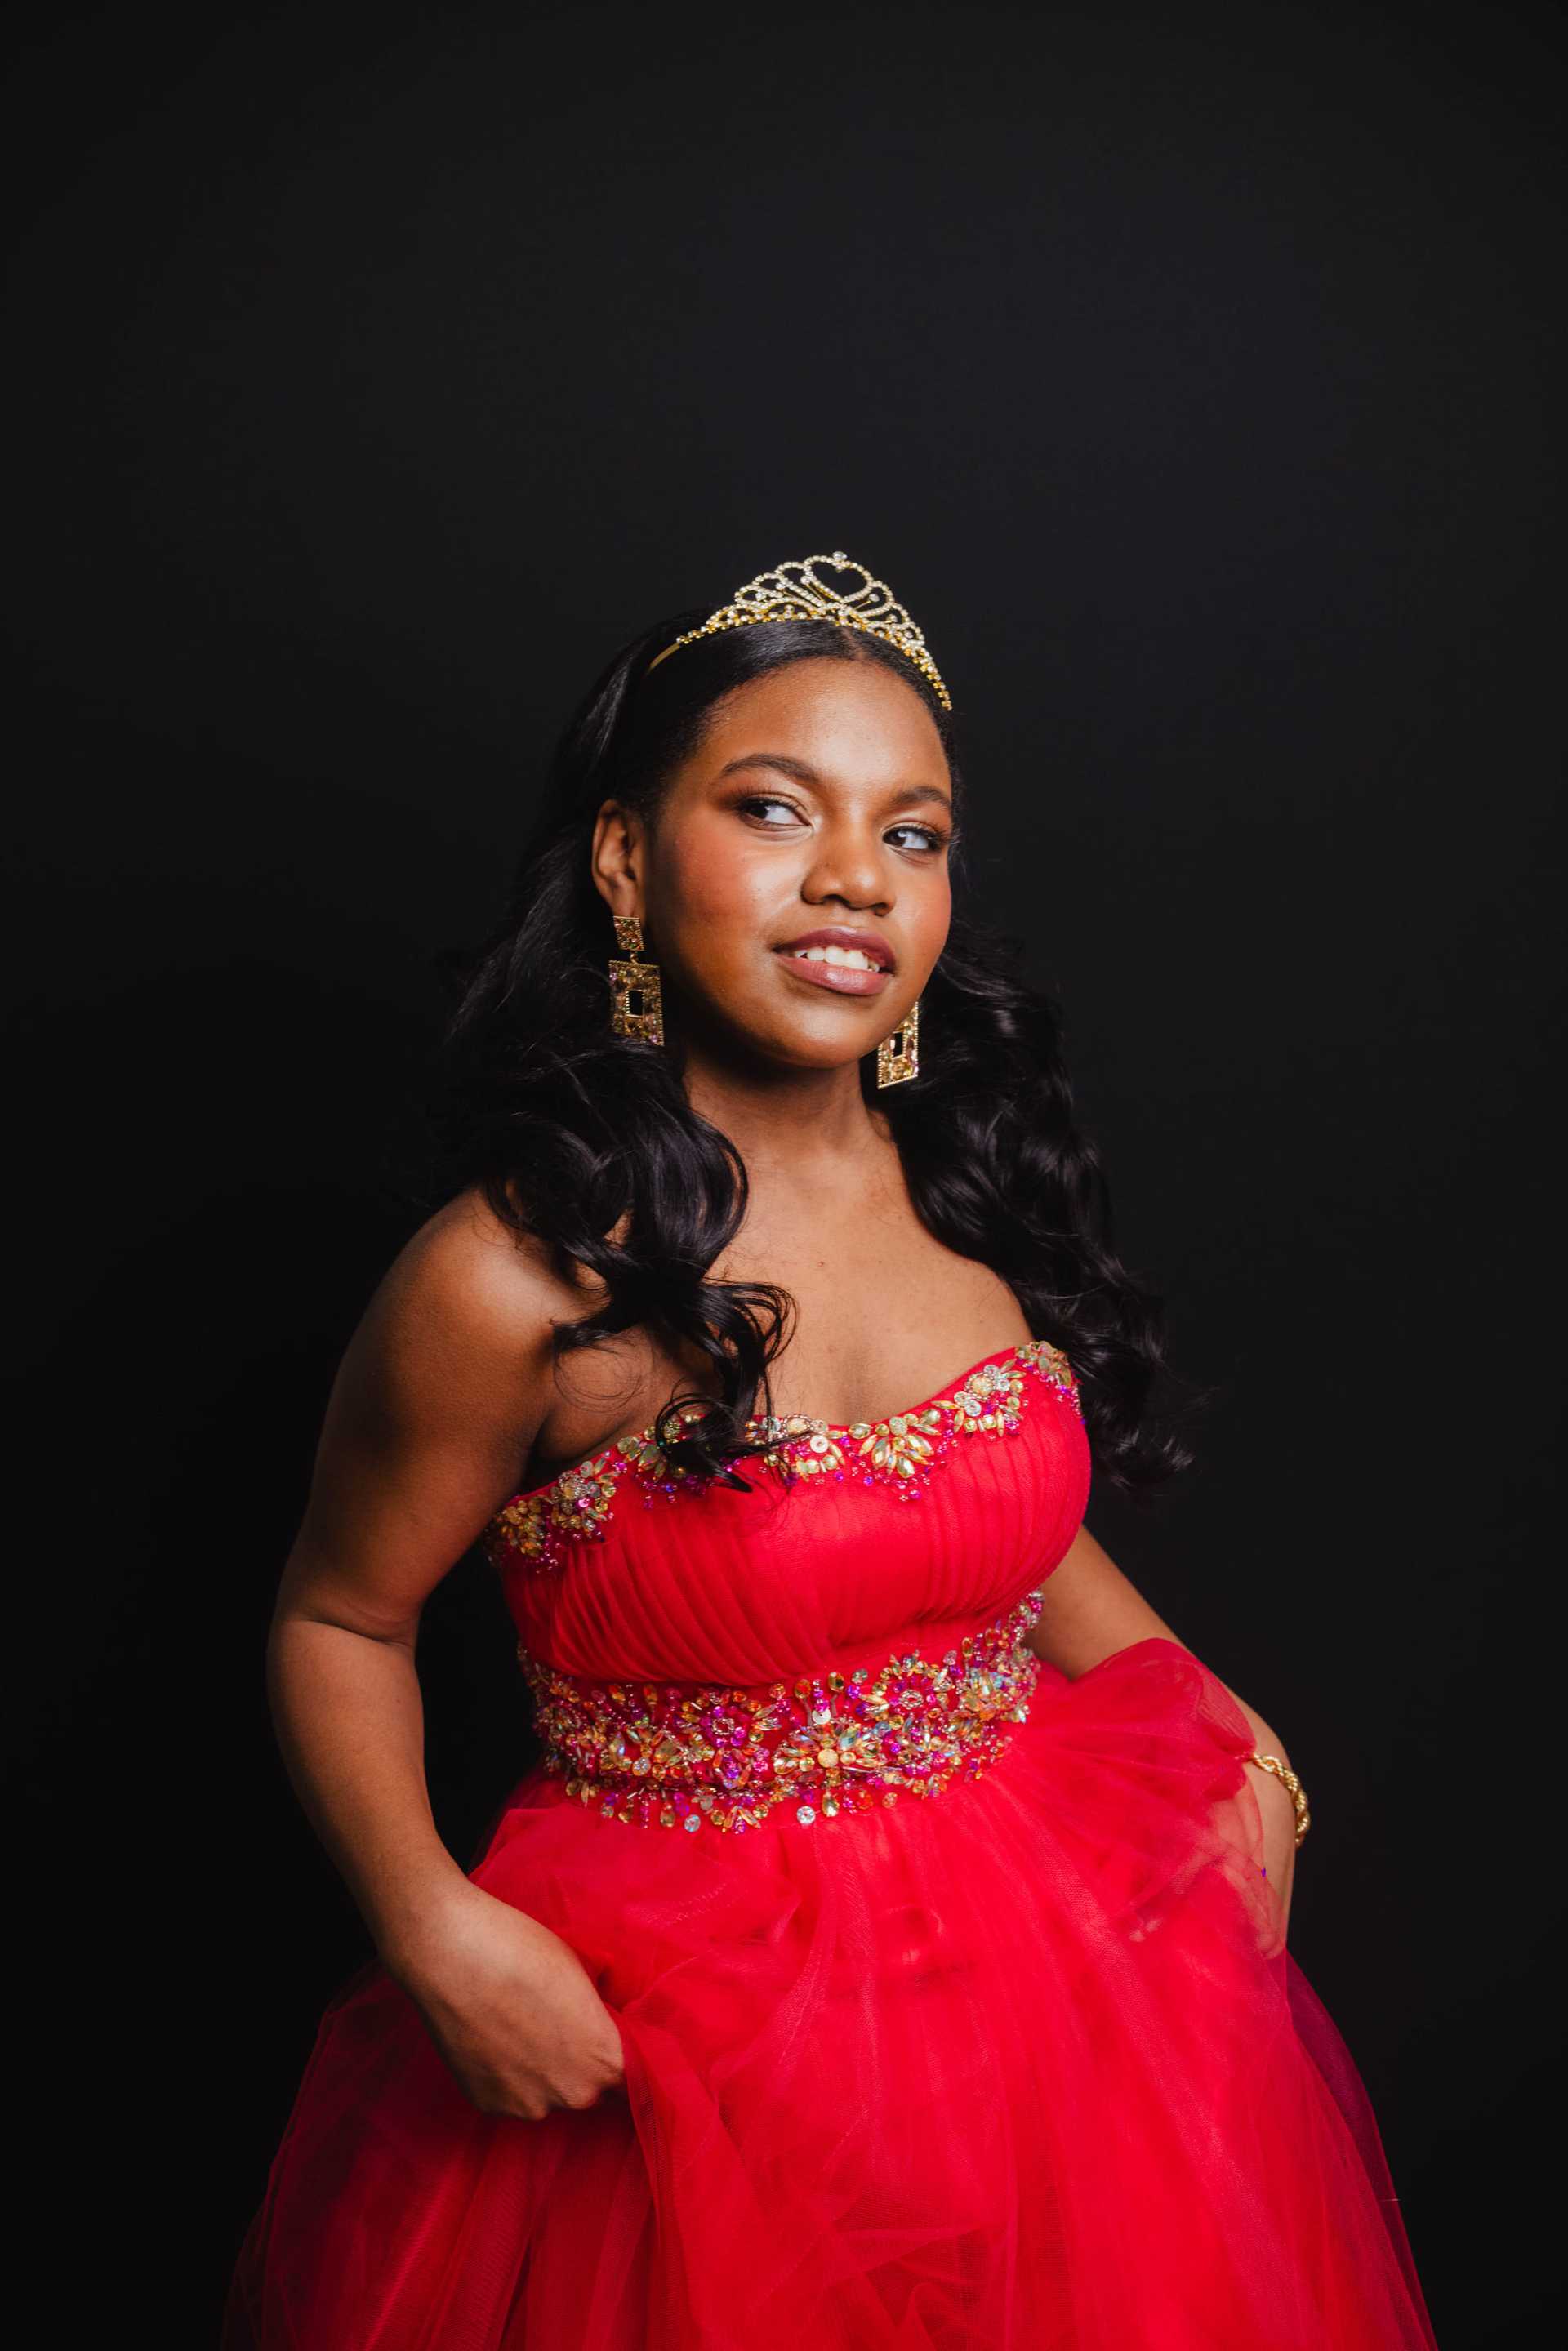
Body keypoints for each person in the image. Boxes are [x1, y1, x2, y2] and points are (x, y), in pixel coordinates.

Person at [222, 553, 1439, 2349]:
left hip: (1045, 2001)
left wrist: (1209, 1716)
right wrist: (437, 1932)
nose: (856, 878)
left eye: (916, 834)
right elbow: (338, 1620)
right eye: (775, 810)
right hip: (680, 2051)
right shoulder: (516, 1276)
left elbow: (977, 1518)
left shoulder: (963, 1180)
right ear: (628, 861)